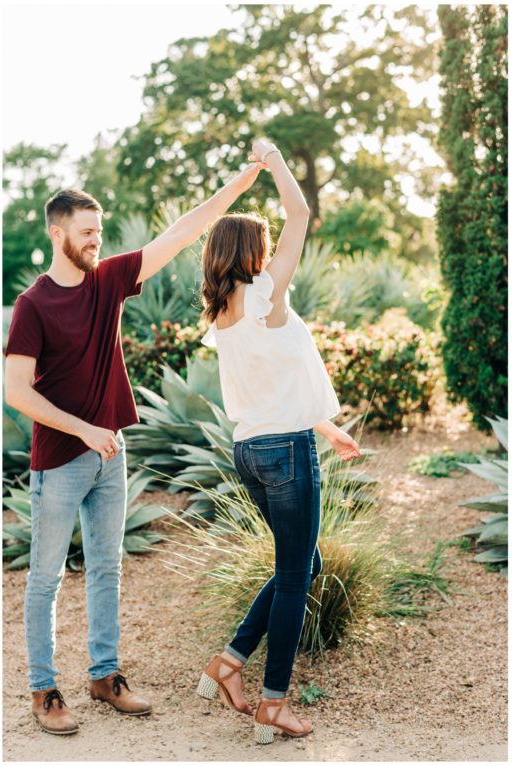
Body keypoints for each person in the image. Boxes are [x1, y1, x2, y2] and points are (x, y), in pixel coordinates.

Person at [4, 163, 263, 735]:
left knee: (106, 569)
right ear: (57, 233)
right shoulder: (33, 305)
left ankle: (104, 676)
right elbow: (15, 391)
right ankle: (45, 691)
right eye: (86, 232)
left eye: (100, 231)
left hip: (109, 456)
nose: (97, 240)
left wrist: (241, 184)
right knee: (45, 579)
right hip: (61, 461)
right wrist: (83, 430)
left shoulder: (110, 279)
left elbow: (184, 231)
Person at [194, 137, 361, 745]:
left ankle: (230, 661)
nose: (272, 253)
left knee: (302, 563)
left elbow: (272, 387)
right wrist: (274, 160)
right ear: (251, 252)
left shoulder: (222, 315)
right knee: (295, 576)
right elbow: (301, 213)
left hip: (252, 451)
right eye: (263, 247)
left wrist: (328, 426)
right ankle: (272, 703)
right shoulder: (265, 295)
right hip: (285, 454)